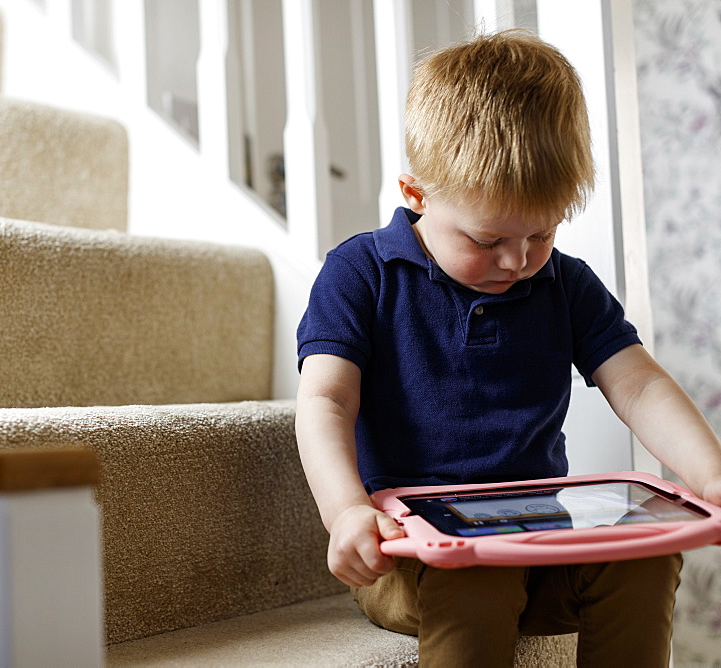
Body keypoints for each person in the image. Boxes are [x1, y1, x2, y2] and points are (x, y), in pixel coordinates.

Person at [295, 30, 721, 667]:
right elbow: (326, 399)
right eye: (488, 238)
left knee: (648, 553)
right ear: (416, 194)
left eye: (541, 233)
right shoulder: (361, 272)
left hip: (541, 538)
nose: (518, 261)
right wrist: (346, 512)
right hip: (414, 554)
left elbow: (639, 384)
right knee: (477, 574)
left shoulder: (564, 281)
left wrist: (710, 473)